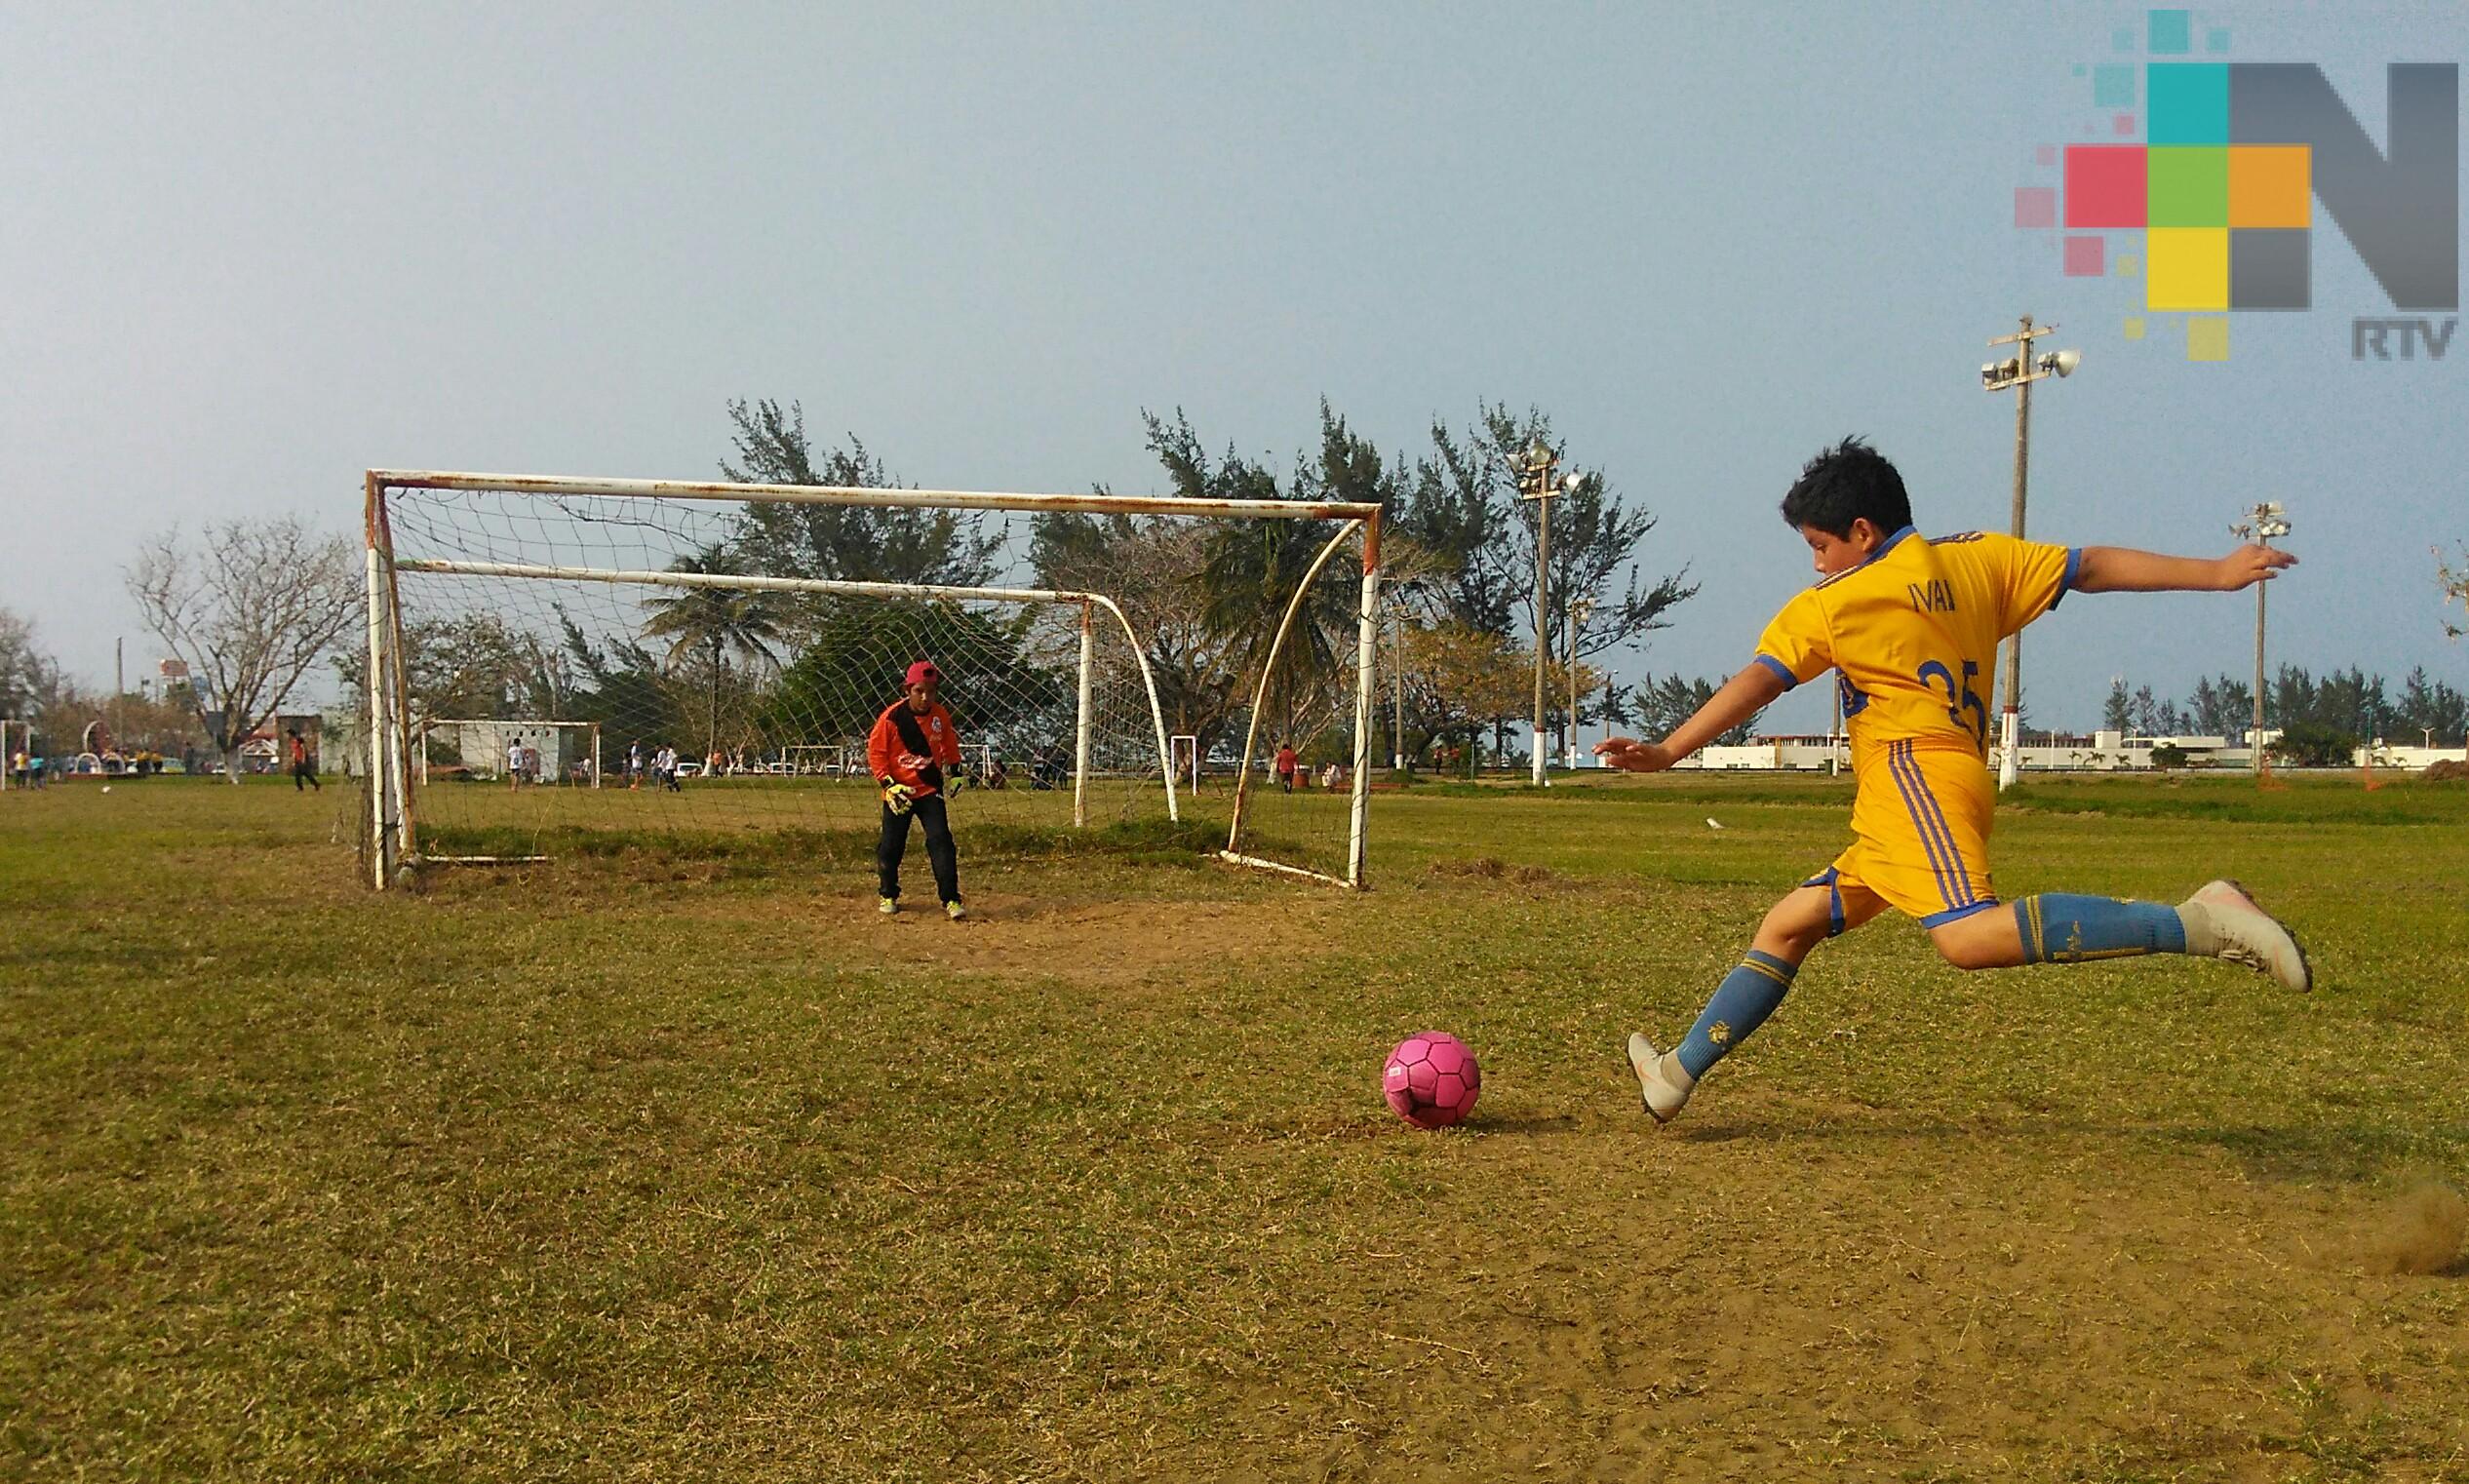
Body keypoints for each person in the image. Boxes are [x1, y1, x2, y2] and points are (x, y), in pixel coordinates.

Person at [1596, 436, 2310, 1124]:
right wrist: (2215, 572)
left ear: (1863, 531)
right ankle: (1675, 1073)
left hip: (1914, 775)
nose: (1816, 566)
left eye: (1820, 546)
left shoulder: (1834, 604)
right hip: (1946, 780)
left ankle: (2199, 919)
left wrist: (1669, 749)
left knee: (1968, 938)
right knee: (1791, 924)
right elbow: (2088, 566)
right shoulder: (1979, 558)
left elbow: (1759, 683)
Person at [868, 659, 966, 919]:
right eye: (919, 691)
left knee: (941, 842)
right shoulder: (891, 718)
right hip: (899, 793)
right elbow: (876, 754)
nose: (925, 697)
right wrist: (889, 785)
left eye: (931, 691)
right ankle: (888, 893)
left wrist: (956, 773)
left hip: (929, 789)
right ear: (906, 690)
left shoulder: (940, 715)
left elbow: (949, 744)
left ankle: (951, 900)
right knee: (891, 845)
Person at [287, 729, 321, 793]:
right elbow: (294, 752)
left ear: (291, 734)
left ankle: (316, 784)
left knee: (307, 774)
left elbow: (303, 749)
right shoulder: (292, 742)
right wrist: (294, 760)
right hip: (297, 760)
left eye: (288, 734)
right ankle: (300, 788)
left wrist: (303, 759)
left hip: (302, 760)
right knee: (297, 775)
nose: (287, 736)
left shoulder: (299, 740)